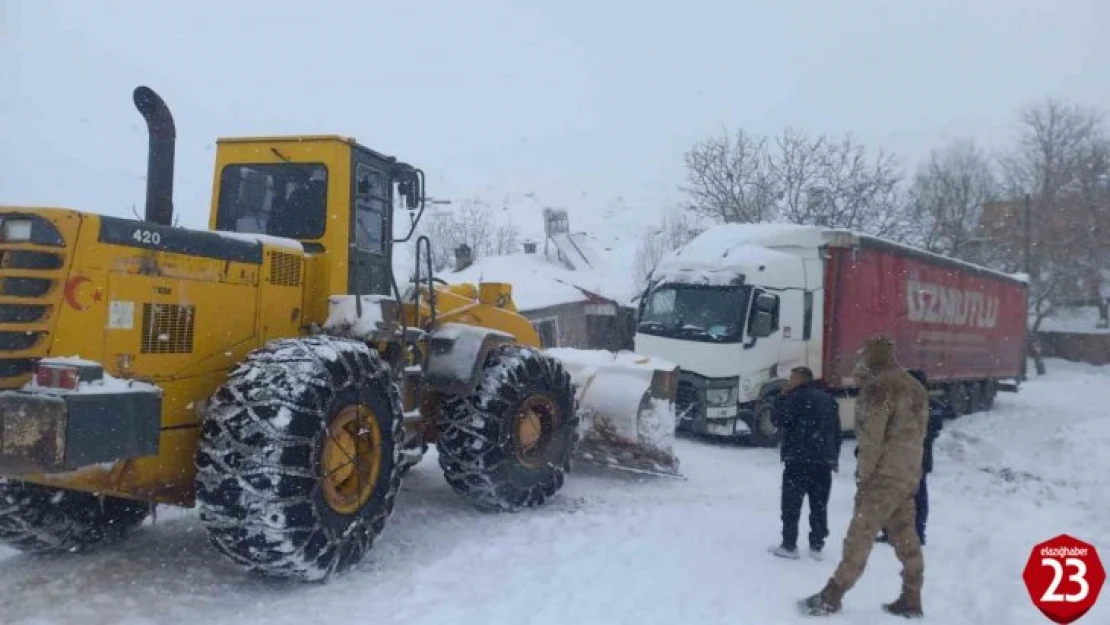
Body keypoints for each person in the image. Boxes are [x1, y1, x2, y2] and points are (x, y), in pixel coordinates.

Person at [798, 335, 929, 618]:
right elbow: (920, 432)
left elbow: (871, 439)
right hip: (908, 473)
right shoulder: (915, 387)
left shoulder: (879, 387)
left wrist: (864, 477)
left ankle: (832, 595)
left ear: (873, 358)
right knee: (906, 533)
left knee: (860, 534)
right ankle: (912, 594)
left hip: (882, 476)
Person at [769, 366, 841, 561]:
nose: (789, 381)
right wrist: (833, 458)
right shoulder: (828, 399)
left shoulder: (795, 398)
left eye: (792, 378)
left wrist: (780, 399)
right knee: (819, 504)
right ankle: (817, 545)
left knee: (792, 503)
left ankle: (789, 544)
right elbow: (836, 431)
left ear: (801, 379)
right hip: (822, 461)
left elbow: (779, 420)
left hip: (798, 459)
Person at [877, 368, 949, 546]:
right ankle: (917, 533)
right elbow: (935, 428)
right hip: (921, 459)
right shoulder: (933, 404)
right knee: (919, 497)